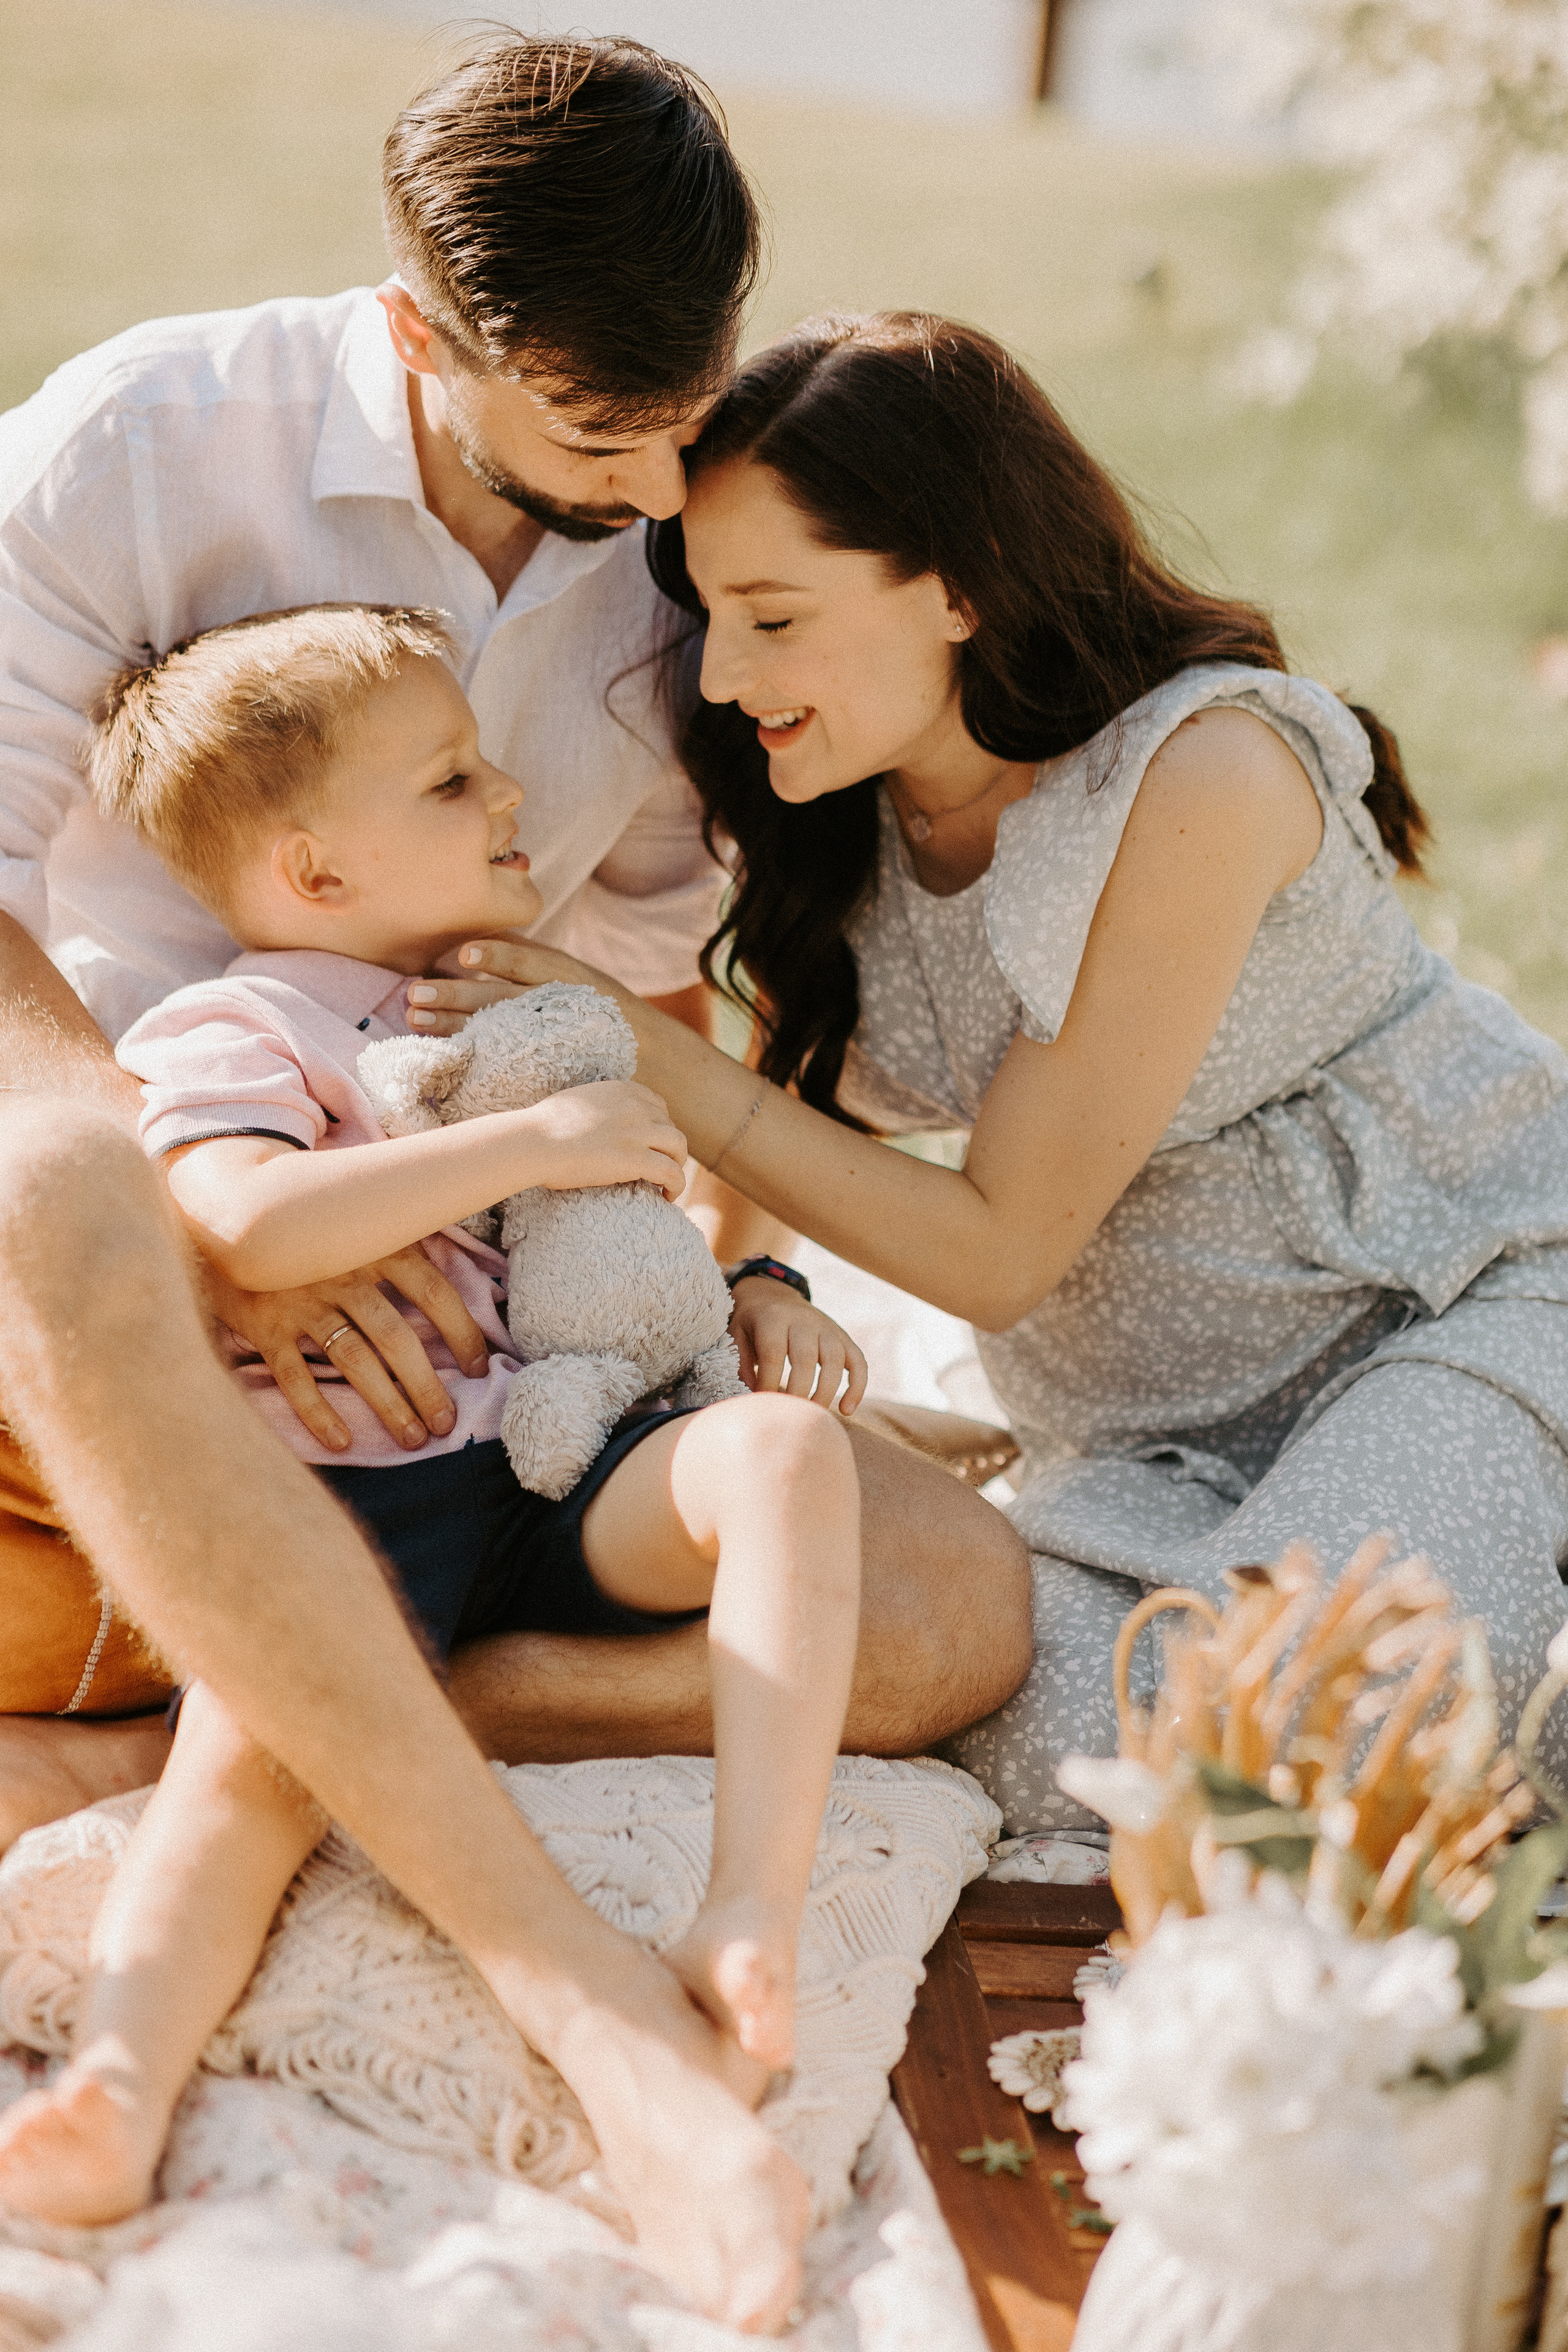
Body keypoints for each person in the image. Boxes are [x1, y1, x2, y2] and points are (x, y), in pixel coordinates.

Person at [0, 41, 1031, 1835]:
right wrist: (198, 1221)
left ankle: (223, 1748)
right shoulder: (141, 450)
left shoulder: (683, 557)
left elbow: (646, 986)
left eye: (684, 417)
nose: (652, 492)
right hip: (132, 1196)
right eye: (589, 436)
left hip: (490, 1298)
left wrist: (745, 1274)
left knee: (951, 1615)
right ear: (420, 336)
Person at [415, 311, 1568, 1832]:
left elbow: (999, 1250)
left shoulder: (1200, 771)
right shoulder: (833, 799)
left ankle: (492, 1704)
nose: (722, 676)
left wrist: (646, 1060)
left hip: (1448, 1294)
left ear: (958, 584)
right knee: (1019, 1718)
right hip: (1139, 1430)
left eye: (774, 615)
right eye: (712, 617)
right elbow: (788, 1133)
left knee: (1282, 1751)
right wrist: (746, 1301)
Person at [0, 605, 861, 2299]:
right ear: (314, 873)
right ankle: (120, 2075)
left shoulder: (499, 999)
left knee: (782, 1466)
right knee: (250, 1770)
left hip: (548, 1463)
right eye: (455, 776)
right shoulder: (237, 1028)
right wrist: (524, 1142)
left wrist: (740, 1275)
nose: (511, 789)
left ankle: (747, 1906)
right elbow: (241, 1218)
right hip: (354, 1495)